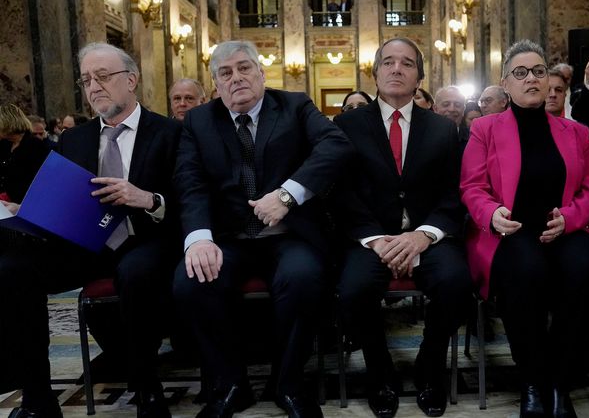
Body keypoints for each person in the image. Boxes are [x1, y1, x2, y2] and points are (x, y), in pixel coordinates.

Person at [0, 42, 182, 417]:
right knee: (12, 269)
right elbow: (64, 196)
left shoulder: (168, 132)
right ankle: (38, 397)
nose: (94, 86)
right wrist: (30, 210)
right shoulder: (74, 139)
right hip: (85, 243)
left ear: (131, 80)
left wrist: (148, 198)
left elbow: (190, 199)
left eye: (103, 76)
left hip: (145, 238)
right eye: (86, 80)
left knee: (135, 272)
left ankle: (146, 386)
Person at [172, 40, 352, 418]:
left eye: (244, 68)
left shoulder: (294, 105)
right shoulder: (199, 121)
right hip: (229, 238)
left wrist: (288, 195)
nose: (236, 78)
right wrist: (199, 238)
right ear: (216, 85)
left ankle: (288, 384)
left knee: (303, 278)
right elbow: (190, 182)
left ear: (261, 73)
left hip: (289, 235)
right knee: (193, 281)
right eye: (225, 73)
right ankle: (230, 384)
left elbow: (336, 145)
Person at [460, 40, 589, 418]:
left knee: (585, 265)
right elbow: (471, 186)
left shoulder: (576, 132)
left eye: (538, 71)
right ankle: (532, 381)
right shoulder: (485, 130)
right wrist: (491, 214)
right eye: (520, 73)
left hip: (564, 228)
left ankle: (559, 382)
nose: (531, 79)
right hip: (509, 230)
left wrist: (570, 218)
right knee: (526, 270)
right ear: (505, 83)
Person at [333, 37, 473, 418]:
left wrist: (422, 236)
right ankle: (380, 373)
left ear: (419, 77)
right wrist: (377, 241)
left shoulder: (442, 130)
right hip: (369, 239)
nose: (397, 68)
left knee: (457, 282)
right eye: (388, 62)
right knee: (353, 290)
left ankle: (430, 367)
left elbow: (453, 194)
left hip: (425, 236)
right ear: (375, 72)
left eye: (407, 63)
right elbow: (341, 193)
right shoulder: (346, 126)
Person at [0, 106, 51, 207]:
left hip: (28, 206)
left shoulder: (35, 146)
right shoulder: (5, 144)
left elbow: (43, 182)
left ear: (6, 123)